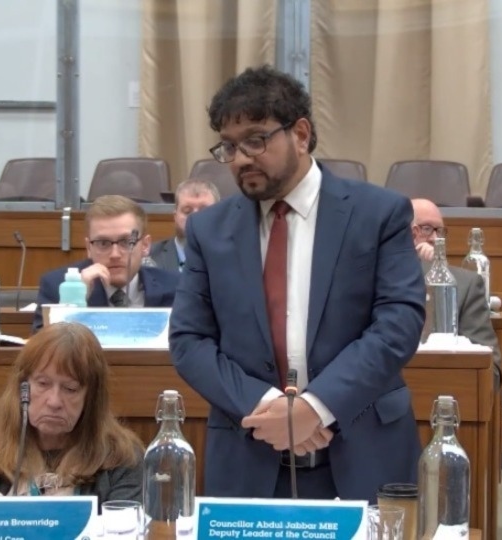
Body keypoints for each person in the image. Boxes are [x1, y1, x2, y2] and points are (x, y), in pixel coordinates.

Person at [168, 65, 426, 502]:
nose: (241, 158)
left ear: (301, 134)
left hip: (363, 451)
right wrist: (272, 409)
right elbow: (189, 339)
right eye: (229, 146)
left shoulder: (376, 214)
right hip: (250, 456)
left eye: (255, 139)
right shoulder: (209, 231)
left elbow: (399, 322)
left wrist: (315, 407)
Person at [0, 322, 143, 501]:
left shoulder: (122, 456)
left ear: (90, 397)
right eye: (43, 383)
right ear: (22, 388)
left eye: (70, 389)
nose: (54, 401)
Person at [32, 195, 180, 331]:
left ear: (145, 246)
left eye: (126, 242)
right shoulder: (57, 286)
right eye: (103, 243)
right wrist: (74, 303)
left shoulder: (176, 286)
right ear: (89, 247)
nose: (115, 254)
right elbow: (43, 352)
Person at [410, 199, 502, 378]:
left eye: (440, 231)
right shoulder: (373, 279)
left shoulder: (465, 285)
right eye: (427, 229)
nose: (435, 239)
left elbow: (492, 371)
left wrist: (430, 271)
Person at [150, 179, 220, 272]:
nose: (195, 218)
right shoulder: (150, 257)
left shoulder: (235, 257)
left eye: (204, 211)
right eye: (187, 211)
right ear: (175, 216)